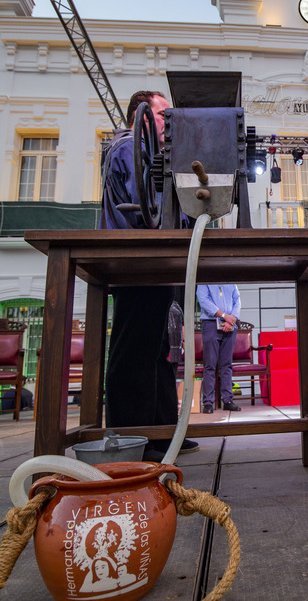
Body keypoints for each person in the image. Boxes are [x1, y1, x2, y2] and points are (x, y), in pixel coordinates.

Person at [100, 90, 197, 460]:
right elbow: (146, 205)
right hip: (134, 258)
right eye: (161, 115)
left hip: (155, 258)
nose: (167, 122)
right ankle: (132, 439)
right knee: (135, 347)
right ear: (141, 115)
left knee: (159, 349)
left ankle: (161, 433)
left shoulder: (151, 154)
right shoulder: (129, 146)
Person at [196, 283, 242, 413]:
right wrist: (223, 315)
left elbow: (237, 300)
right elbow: (204, 300)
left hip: (230, 324)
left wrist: (231, 319)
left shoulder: (231, 282)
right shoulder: (205, 280)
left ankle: (227, 400)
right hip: (211, 323)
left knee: (226, 365)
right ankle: (208, 402)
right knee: (210, 365)